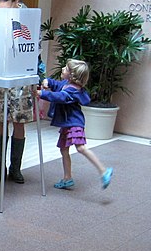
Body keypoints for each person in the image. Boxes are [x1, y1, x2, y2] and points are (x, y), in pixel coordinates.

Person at [0, 0, 36, 184]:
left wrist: (35, 79)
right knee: (0, 120)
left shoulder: (27, 18)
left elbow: (34, 50)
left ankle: (16, 168)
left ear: (16, 0)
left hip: (21, 77)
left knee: (18, 121)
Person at [38, 59, 113, 189]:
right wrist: (47, 81)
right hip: (68, 123)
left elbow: (59, 96)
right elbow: (57, 85)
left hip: (74, 123)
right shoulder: (66, 84)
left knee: (81, 148)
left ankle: (103, 171)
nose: (62, 69)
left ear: (72, 75)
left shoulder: (72, 91)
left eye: (66, 69)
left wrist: (42, 94)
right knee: (64, 149)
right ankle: (67, 178)